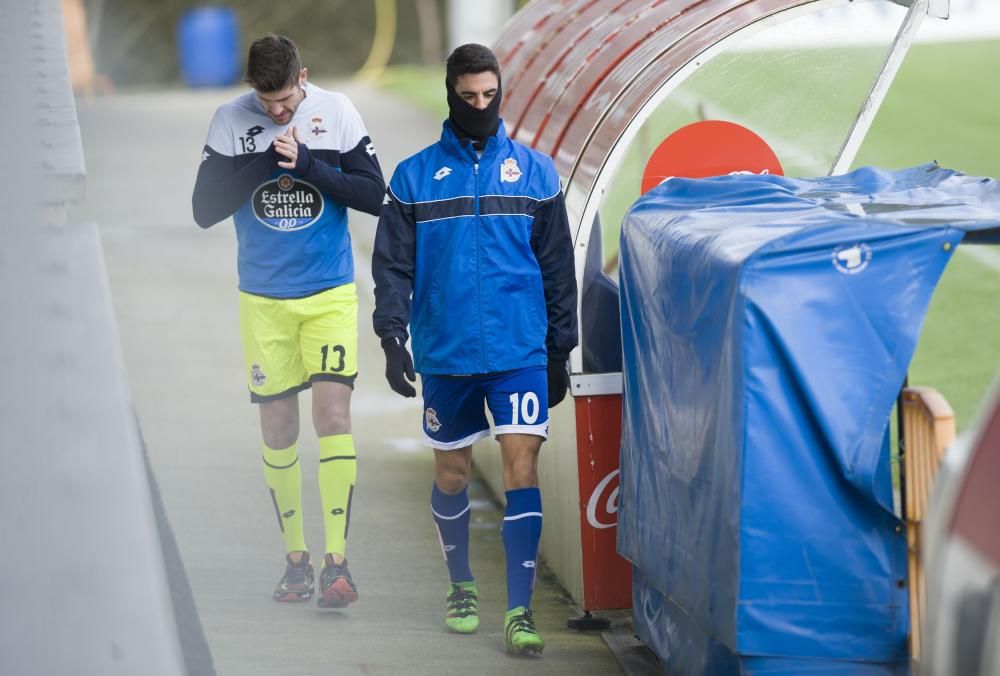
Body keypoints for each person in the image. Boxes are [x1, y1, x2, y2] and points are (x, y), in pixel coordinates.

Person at [372, 43, 578, 656]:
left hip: (518, 350)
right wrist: (391, 334)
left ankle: (519, 611)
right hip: (447, 352)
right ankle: (461, 585)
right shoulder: (412, 177)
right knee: (452, 472)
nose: (481, 106)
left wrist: (559, 349)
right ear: (450, 94)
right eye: (469, 97)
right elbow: (392, 266)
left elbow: (558, 270)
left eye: (490, 96)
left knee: (522, 468)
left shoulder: (538, 174)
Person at [191, 34, 384, 609]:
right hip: (264, 299)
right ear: (252, 89)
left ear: (306, 74)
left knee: (333, 414)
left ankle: (337, 563)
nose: (279, 111)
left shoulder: (338, 111)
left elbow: (376, 196)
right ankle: (295, 560)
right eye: (267, 101)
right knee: (278, 428)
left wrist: (307, 164)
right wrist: (263, 158)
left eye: (287, 98)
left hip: (328, 292)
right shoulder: (229, 122)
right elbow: (204, 210)